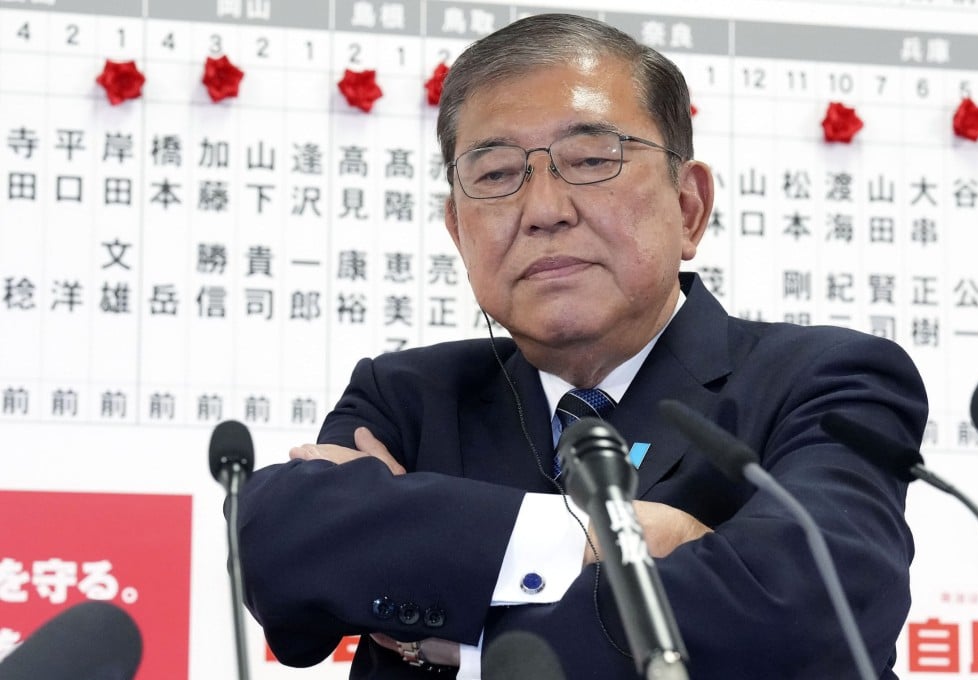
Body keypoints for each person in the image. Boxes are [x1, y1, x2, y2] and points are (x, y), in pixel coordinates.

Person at [237, 13, 927, 679]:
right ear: (458, 230)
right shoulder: (408, 397)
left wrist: (465, 634)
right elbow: (285, 556)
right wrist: (611, 539)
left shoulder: (828, 380)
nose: (543, 210)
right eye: (498, 174)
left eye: (592, 159)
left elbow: (813, 609)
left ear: (689, 208)